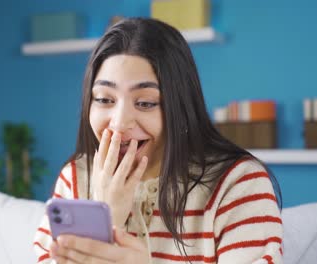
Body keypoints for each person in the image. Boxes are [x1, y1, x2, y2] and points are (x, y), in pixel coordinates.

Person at [33, 17, 283, 264]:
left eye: (145, 103)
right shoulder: (75, 180)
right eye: (104, 99)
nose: (119, 124)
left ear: (181, 108)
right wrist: (105, 217)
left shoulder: (237, 184)